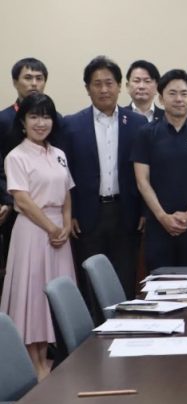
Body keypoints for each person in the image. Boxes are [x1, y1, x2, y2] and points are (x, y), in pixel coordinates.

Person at [0, 93, 76, 380]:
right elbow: (23, 200)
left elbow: (67, 194)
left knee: (55, 297)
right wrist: (52, 228)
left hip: (59, 235)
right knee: (32, 296)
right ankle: (36, 366)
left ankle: (48, 360)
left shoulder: (59, 154)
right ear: (22, 122)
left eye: (46, 117)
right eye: (34, 116)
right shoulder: (16, 156)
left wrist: (65, 225)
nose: (41, 123)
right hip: (33, 232)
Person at [61, 56, 146, 305]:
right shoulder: (72, 124)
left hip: (126, 213)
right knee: (90, 281)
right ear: (87, 88)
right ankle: (93, 328)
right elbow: (66, 173)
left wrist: (144, 210)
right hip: (87, 215)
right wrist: (71, 213)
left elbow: (144, 171)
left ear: (120, 86)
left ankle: (124, 326)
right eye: (97, 84)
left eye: (109, 83)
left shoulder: (138, 123)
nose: (104, 89)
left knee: (125, 278)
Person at [132, 69, 187, 271]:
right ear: (161, 99)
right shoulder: (146, 134)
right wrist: (163, 217)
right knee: (160, 283)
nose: (179, 99)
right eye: (172, 93)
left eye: (184, 93)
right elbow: (142, 181)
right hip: (159, 225)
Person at [0, 58, 53, 263]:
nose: (34, 84)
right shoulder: (3, 120)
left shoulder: (54, 119)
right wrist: (6, 199)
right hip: (14, 205)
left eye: (39, 78)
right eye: (28, 78)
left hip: (49, 205)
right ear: (15, 82)